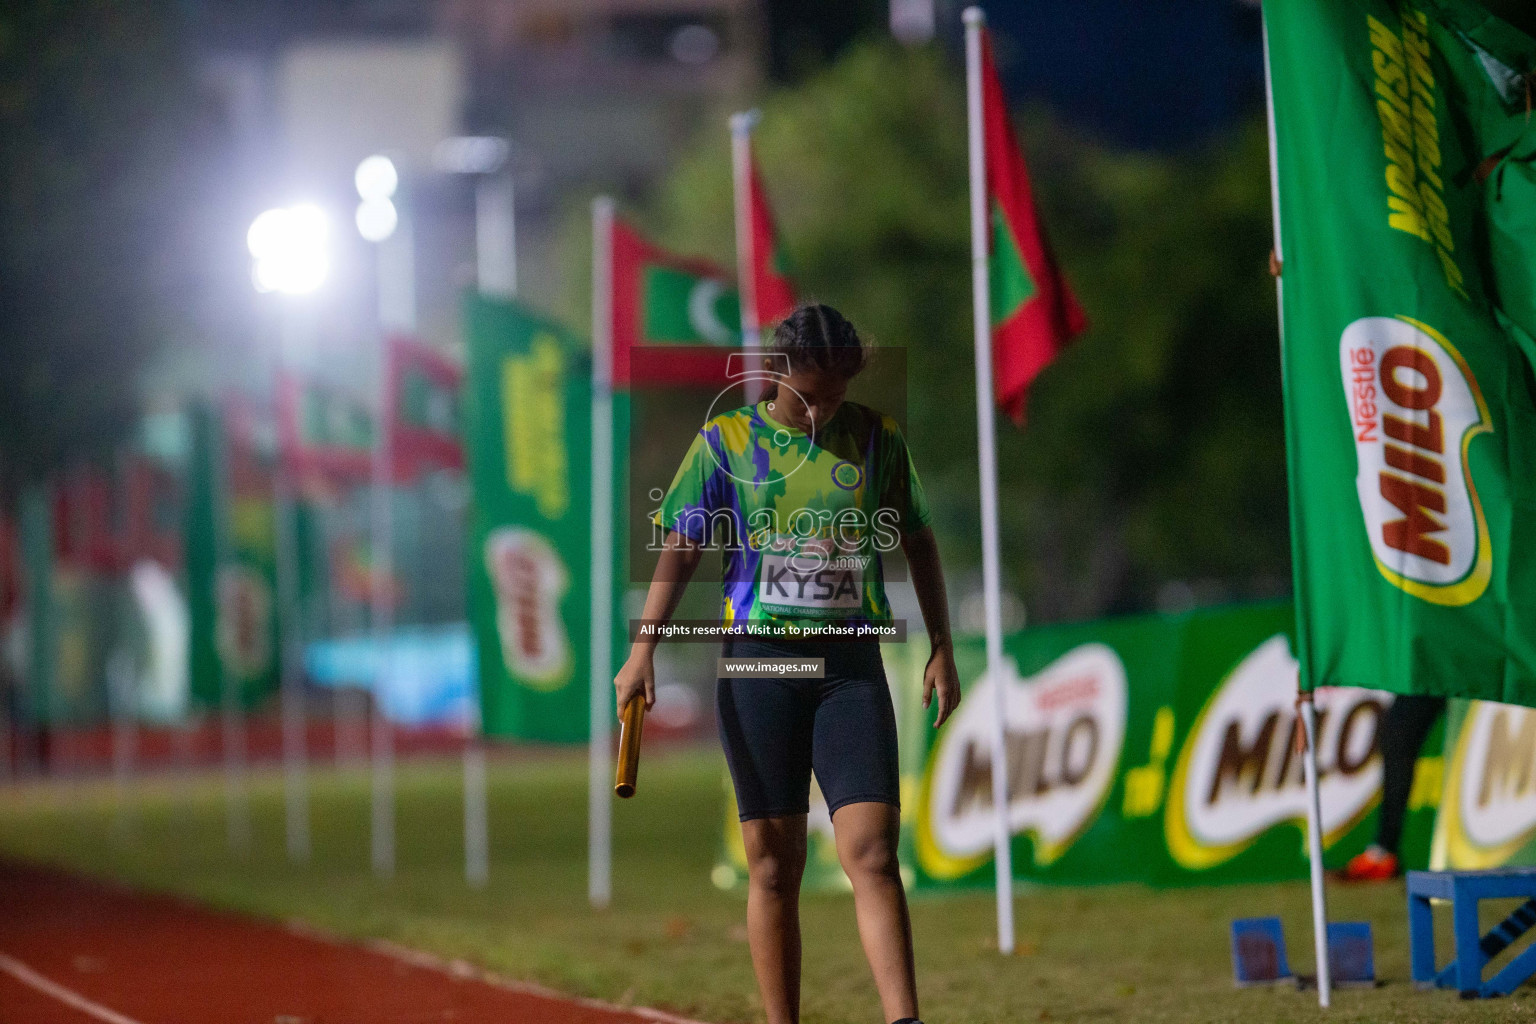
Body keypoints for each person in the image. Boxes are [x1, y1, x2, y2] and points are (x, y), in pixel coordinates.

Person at [614, 304, 960, 1024]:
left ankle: (906, 1020)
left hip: (849, 666)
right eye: (808, 396)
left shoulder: (874, 439)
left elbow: (919, 541)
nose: (820, 411)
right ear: (777, 373)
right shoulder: (725, 444)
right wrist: (643, 647)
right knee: (773, 866)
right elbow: (680, 549)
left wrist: (941, 647)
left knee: (871, 854)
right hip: (761, 664)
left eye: (833, 396)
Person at [1339, 693, 1447, 881]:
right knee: (1397, 735)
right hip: (1436, 669)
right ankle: (1383, 851)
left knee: (1399, 736)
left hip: (1459, 669)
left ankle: (1384, 852)